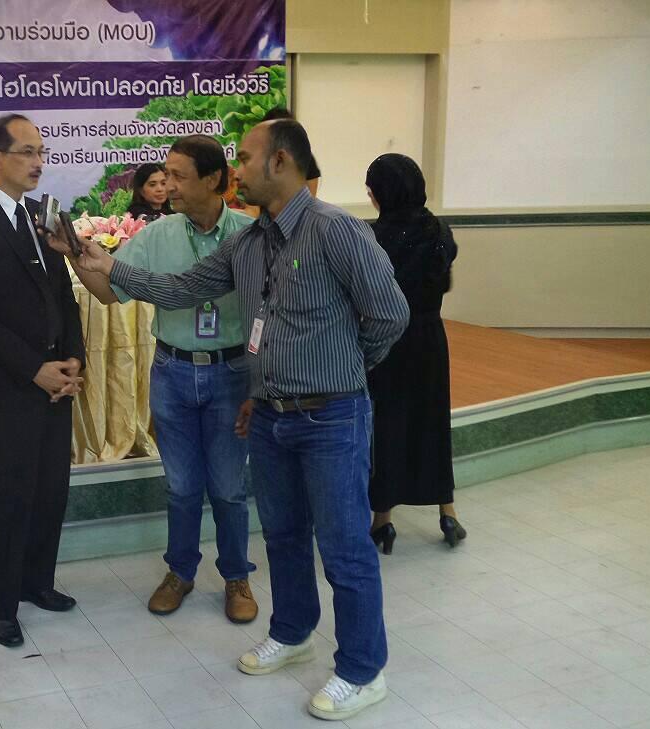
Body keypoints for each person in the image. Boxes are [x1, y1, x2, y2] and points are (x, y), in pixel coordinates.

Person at [67, 119, 409, 721]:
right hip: (269, 412)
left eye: (245, 159)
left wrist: (343, 370)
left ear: (280, 162)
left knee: (344, 548)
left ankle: (362, 670)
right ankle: (293, 632)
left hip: (332, 417)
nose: (237, 169)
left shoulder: (335, 230)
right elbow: (182, 289)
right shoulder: (249, 243)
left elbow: (390, 315)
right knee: (282, 536)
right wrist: (109, 266)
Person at [63, 136, 258, 622]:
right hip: (172, 371)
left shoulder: (249, 235)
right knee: (182, 486)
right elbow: (109, 293)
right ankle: (180, 572)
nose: (167, 185)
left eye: (178, 176)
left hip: (232, 373)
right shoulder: (157, 235)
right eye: (165, 175)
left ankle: (237, 577)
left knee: (229, 488)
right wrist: (74, 257)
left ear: (213, 180)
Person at [0, 113, 86, 648]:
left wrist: (73, 360)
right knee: (7, 493)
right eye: (27, 152)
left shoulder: (42, 216)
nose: (38, 162)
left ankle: (36, 582)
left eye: (42, 151)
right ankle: (1, 604)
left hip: (56, 379)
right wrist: (34, 369)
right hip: (8, 383)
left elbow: (64, 295)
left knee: (50, 488)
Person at [364, 153, 464, 553]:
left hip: (386, 340)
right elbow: (444, 282)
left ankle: (383, 520)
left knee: (386, 424)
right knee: (433, 420)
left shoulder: (370, 236)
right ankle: (448, 511)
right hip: (430, 337)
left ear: (383, 192)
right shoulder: (440, 230)